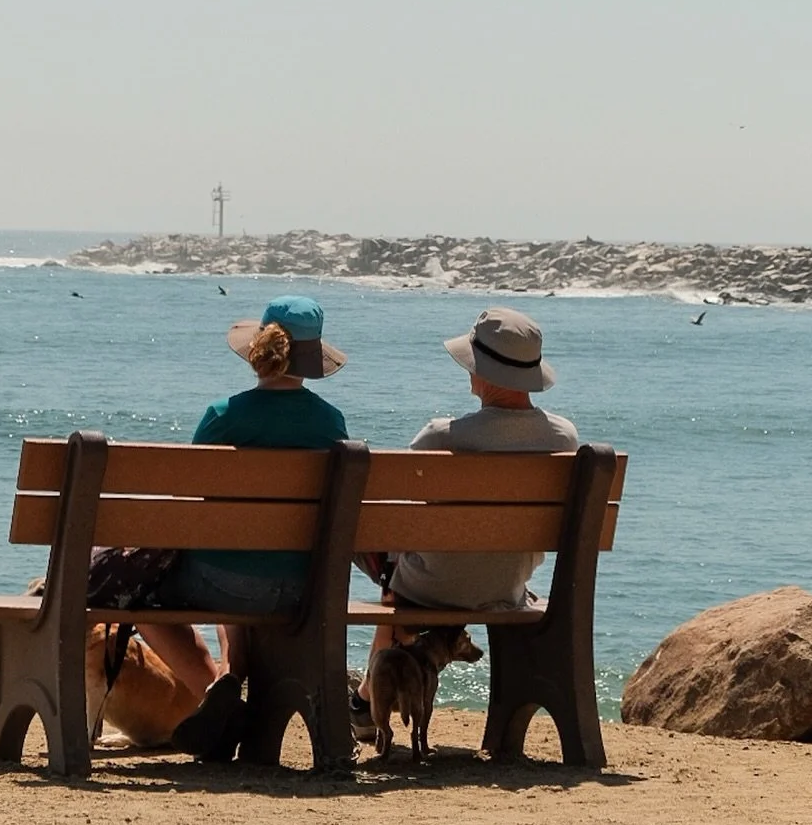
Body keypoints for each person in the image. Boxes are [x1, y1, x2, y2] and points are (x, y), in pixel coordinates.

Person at [98, 294, 349, 761]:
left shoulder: (223, 416)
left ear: (259, 350)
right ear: (312, 359)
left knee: (145, 594)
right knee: (236, 563)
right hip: (301, 587)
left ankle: (215, 690)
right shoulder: (331, 423)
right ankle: (223, 687)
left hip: (224, 585)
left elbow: (188, 507)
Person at [351, 306, 578, 738]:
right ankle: (365, 697)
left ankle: (368, 702)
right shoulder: (564, 438)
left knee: (376, 557)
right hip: (509, 588)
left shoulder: (442, 436)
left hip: (426, 589)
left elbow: (391, 517)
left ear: (484, 373)